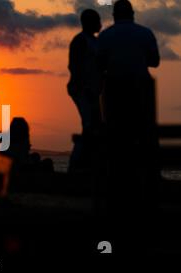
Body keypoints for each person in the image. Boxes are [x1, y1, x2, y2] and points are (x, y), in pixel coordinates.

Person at [97, 0, 160, 254]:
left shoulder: (106, 35)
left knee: (117, 146)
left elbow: (99, 64)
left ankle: (118, 195)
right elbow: (154, 62)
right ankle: (146, 189)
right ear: (132, 15)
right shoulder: (145, 33)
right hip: (141, 94)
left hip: (114, 97)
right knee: (144, 142)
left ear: (113, 16)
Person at [67, 9, 102, 173]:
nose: (100, 23)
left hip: (93, 90)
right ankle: (75, 165)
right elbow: (74, 67)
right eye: (97, 20)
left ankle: (87, 165)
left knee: (93, 125)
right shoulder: (80, 41)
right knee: (89, 125)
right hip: (82, 89)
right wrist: (85, 87)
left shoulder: (95, 41)